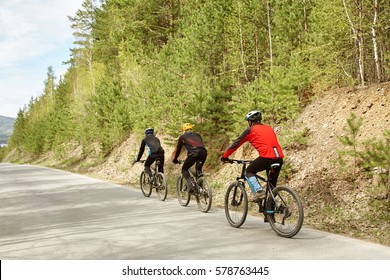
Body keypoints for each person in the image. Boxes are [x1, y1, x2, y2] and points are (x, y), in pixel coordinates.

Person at [221, 110, 284, 202]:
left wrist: (225, 156)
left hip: (266, 158)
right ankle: (272, 212)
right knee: (272, 187)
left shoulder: (250, 130)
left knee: (249, 172)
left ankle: (259, 191)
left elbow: (235, 144)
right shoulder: (269, 128)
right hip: (279, 158)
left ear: (250, 121)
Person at [172, 123, 208, 191]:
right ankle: (200, 189)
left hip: (193, 154)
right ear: (191, 129)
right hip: (203, 153)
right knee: (198, 169)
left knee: (184, 169)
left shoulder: (182, 137)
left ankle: (191, 184)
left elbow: (178, 149)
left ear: (184, 130)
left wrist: (175, 159)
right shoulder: (197, 135)